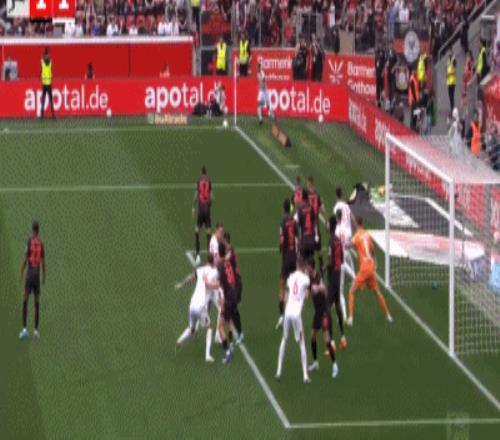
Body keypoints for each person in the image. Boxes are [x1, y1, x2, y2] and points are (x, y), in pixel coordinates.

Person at [346, 217, 392, 327]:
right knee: (377, 292)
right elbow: (372, 249)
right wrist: (375, 261)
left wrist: (342, 242)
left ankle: (351, 318)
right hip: (371, 266)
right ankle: (388, 315)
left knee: (352, 291)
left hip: (364, 268)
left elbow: (348, 245)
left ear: (356, 224)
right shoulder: (366, 234)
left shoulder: (357, 236)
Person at [174, 254, 220, 363]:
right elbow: (218, 283)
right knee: (209, 328)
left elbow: (191, 277)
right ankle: (207, 355)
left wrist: (182, 283)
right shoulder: (215, 271)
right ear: (213, 261)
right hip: (200, 307)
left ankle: (179, 340)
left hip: (192, 305)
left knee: (192, 329)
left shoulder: (200, 270)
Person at [275, 256, 311, 384]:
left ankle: (279, 371)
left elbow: (288, 292)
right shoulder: (306, 279)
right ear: (304, 266)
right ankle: (305, 375)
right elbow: (307, 295)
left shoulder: (291, 277)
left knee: (284, 339)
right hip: (296, 314)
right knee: (301, 342)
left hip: (288, 312)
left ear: (296, 265)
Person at [307, 260, 339, 378]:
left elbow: (325, 290)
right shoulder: (308, 280)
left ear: (312, 268)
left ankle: (335, 365)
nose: (306, 269)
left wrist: (318, 288)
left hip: (324, 312)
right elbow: (307, 295)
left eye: (308, 268)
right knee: (312, 336)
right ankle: (315, 362)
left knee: (327, 340)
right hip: (317, 312)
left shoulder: (318, 277)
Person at [19, 221, 46, 340]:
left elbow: (25, 259)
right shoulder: (41, 244)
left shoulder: (29, 242)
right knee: (36, 302)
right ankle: (36, 331)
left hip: (30, 275)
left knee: (25, 300)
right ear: (38, 230)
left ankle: (25, 330)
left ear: (32, 229)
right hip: (37, 276)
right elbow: (43, 263)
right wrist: (44, 277)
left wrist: (21, 272)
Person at [276, 198, 299, 330]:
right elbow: (297, 237)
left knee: (282, 284)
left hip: (286, 257)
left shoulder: (283, 222)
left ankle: (282, 315)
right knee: (292, 284)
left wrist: (280, 249)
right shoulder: (293, 221)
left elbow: (281, 240)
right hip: (294, 255)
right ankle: (294, 312)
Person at [333, 187, 354, 321]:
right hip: (346, 251)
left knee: (339, 291)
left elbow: (335, 244)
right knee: (351, 269)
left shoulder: (336, 230)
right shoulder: (346, 230)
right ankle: (356, 280)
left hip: (339, 259)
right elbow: (349, 244)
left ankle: (345, 315)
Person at [217, 242, 238, 364]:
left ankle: (228, 352)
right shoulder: (228, 262)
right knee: (229, 320)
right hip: (234, 294)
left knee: (220, 326)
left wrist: (208, 283)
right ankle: (231, 344)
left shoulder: (220, 266)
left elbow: (219, 284)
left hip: (228, 299)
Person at [328, 215, 346, 349]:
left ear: (330, 226)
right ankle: (343, 337)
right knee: (337, 304)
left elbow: (330, 261)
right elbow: (342, 259)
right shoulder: (339, 241)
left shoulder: (331, 242)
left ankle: (332, 342)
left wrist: (322, 270)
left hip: (332, 277)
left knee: (327, 309)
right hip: (338, 275)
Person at [224, 232, 244, 345]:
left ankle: (240, 334)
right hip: (235, 284)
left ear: (226, 241)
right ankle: (238, 333)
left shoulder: (230, 251)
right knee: (232, 310)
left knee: (233, 310)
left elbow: (225, 259)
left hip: (237, 284)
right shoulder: (230, 250)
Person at [307, 176, 327, 275]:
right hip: (316, 226)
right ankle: (322, 266)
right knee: (319, 247)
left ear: (310, 183)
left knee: (310, 248)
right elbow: (322, 208)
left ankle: (311, 268)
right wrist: (326, 221)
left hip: (309, 226)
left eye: (308, 183)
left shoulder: (306, 195)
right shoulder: (317, 195)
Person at [193, 165, 212, 264]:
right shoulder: (209, 181)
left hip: (201, 210)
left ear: (201, 172)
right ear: (206, 172)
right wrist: (209, 206)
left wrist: (193, 207)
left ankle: (197, 256)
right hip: (207, 210)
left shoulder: (199, 180)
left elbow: (196, 195)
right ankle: (209, 257)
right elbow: (212, 197)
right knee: (208, 233)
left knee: (197, 231)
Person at [298, 190, 318, 264]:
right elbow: (315, 222)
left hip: (304, 240)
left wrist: (299, 240)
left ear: (303, 199)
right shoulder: (311, 208)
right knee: (311, 262)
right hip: (311, 239)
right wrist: (316, 235)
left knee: (303, 262)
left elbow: (299, 227)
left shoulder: (300, 210)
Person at [40, 48, 55, 119]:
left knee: (45, 99)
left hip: (45, 84)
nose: (46, 57)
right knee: (49, 99)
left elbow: (42, 58)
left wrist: (45, 53)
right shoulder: (50, 63)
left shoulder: (43, 63)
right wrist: (47, 53)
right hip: (48, 84)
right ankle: (52, 115)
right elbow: (49, 59)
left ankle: (43, 115)